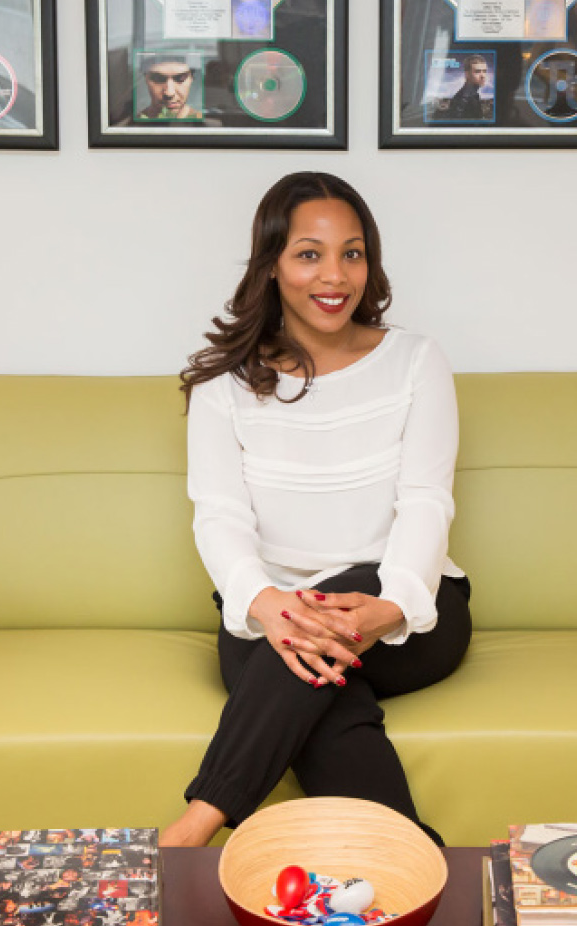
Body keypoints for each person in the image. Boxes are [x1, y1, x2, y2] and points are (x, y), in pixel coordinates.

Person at [160, 171, 472, 849]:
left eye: (352, 253)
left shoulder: (418, 362)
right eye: (309, 254)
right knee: (325, 701)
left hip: (411, 612)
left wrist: (391, 606)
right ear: (271, 265)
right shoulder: (223, 386)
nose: (335, 275)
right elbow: (219, 518)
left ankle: (194, 826)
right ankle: (412, 865)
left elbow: (425, 501)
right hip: (271, 617)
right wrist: (267, 604)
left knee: (341, 601)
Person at [137, 52, 202, 121]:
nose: (169, 93)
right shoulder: (131, 123)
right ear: (146, 79)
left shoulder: (204, 122)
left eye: (180, 78)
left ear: (191, 79)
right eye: (158, 79)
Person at [447, 54, 489, 120]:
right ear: (467, 74)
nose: (483, 76)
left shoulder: (473, 95)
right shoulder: (463, 99)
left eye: (484, 71)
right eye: (477, 72)